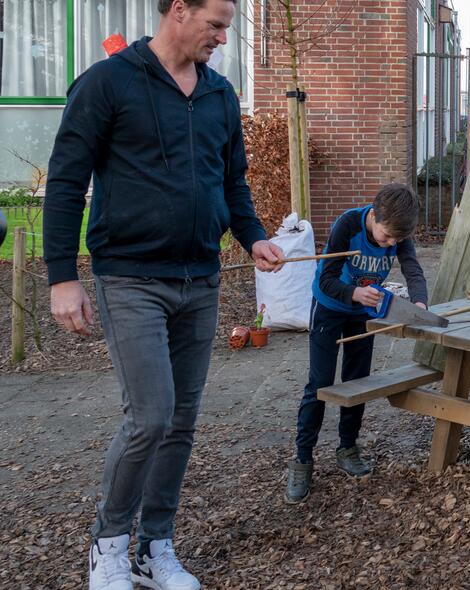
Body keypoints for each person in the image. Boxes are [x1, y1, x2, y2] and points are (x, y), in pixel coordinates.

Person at [43, 1, 283, 589]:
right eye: (217, 24)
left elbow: (232, 182)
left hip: (199, 279)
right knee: (149, 416)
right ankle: (109, 544)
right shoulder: (107, 84)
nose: (224, 38)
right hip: (129, 277)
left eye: (227, 27)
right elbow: (68, 179)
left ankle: (154, 547)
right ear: (179, 11)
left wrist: (252, 236)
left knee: (179, 421)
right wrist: (61, 277)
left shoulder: (220, 96)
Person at [285, 183, 429, 504]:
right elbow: (325, 278)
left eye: (397, 240)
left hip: (362, 314)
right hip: (330, 309)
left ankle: (347, 447)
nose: (391, 244)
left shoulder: (398, 234)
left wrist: (419, 305)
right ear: (374, 216)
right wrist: (353, 293)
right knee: (319, 384)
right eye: (386, 237)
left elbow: (413, 271)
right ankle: (302, 458)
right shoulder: (347, 225)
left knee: (357, 381)